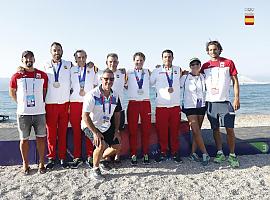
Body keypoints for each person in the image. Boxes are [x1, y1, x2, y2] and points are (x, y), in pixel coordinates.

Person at [201, 40, 240, 168]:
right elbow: (197, 78)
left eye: (215, 49)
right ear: (207, 52)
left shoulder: (229, 63)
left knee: (229, 129)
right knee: (215, 129)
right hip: (211, 103)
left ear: (220, 50)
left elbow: (235, 81)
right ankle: (220, 152)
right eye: (210, 50)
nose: (213, 51)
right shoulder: (205, 66)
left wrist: (236, 98)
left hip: (225, 102)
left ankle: (232, 155)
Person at [9, 51, 48, 175]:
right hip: (23, 114)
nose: (28, 60)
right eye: (26, 58)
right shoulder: (17, 75)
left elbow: (44, 91)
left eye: (30, 58)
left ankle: (42, 163)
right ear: (22, 60)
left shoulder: (42, 75)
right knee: (24, 140)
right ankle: (25, 164)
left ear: (34, 59)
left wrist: (39, 103)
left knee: (41, 138)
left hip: (39, 113)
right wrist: (21, 103)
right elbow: (12, 92)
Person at [82, 68, 122, 180]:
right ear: (101, 79)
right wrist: (95, 132)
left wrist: (116, 130)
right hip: (90, 125)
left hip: (106, 125)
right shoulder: (92, 95)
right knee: (101, 144)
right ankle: (95, 170)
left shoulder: (115, 95)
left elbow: (117, 114)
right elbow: (85, 116)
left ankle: (100, 159)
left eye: (111, 79)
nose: (108, 81)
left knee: (117, 146)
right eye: (106, 79)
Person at [150, 49, 183, 163]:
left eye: (169, 57)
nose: (167, 59)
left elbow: (183, 80)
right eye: (165, 57)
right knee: (162, 131)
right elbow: (149, 83)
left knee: (175, 131)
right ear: (162, 58)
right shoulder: (157, 71)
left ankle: (175, 152)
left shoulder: (178, 70)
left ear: (172, 58)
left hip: (175, 106)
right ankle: (163, 151)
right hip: (161, 106)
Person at [44, 42, 72, 169]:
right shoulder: (45, 65)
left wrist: (91, 65)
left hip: (65, 103)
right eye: (54, 50)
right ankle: (51, 157)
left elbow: (81, 69)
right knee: (51, 133)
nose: (57, 52)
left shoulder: (68, 64)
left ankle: (62, 157)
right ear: (51, 52)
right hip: (50, 103)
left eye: (59, 50)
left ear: (62, 51)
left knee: (62, 132)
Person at [70, 50, 98, 168]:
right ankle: (77, 156)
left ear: (86, 57)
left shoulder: (92, 69)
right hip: (75, 103)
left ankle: (90, 156)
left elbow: (96, 85)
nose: (81, 59)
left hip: (87, 103)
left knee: (88, 130)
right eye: (79, 57)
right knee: (76, 131)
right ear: (75, 59)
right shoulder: (70, 70)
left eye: (83, 57)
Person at [181, 58, 210, 166]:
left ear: (200, 65)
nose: (195, 66)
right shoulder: (184, 77)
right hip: (189, 107)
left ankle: (192, 154)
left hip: (201, 106)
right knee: (196, 131)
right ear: (190, 66)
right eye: (192, 64)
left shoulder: (204, 76)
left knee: (196, 132)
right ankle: (205, 153)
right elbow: (173, 85)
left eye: (197, 64)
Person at [126, 52, 151, 165]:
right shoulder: (128, 72)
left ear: (144, 61)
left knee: (146, 130)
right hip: (133, 103)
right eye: (137, 60)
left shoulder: (148, 72)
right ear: (133, 61)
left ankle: (146, 153)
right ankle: (133, 154)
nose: (139, 62)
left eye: (141, 60)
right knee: (133, 130)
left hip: (146, 103)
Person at [103, 53, 127, 163]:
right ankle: (107, 155)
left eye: (115, 61)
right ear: (107, 63)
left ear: (118, 62)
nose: (113, 63)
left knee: (118, 132)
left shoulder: (122, 73)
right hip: (106, 109)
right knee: (106, 131)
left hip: (119, 108)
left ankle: (117, 154)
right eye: (110, 61)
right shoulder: (101, 74)